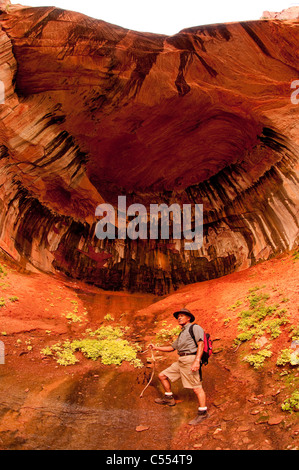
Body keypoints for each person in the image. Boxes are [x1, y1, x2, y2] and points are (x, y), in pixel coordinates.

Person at [149, 308, 208, 425]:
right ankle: (169, 398)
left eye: (182, 316)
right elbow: (172, 348)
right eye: (178, 316)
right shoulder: (182, 333)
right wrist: (156, 348)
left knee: (196, 387)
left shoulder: (195, 328)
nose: (179, 318)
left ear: (189, 318)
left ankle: (203, 413)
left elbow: (201, 343)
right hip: (181, 360)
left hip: (190, 359)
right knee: (162, 375)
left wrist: (197, 361)